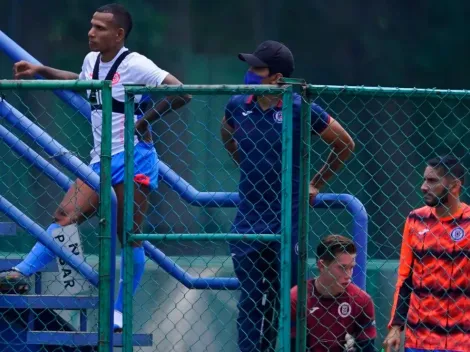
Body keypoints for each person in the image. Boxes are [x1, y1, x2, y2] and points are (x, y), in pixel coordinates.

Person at [0, 3, 190, 332]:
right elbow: (81, 80)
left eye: (100, 28)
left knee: (127, 235)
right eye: (91, 25)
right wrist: (41, 70)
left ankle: (118, 311)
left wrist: (144, 120)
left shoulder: (135, 63)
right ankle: (23, 272)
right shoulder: (91, 60)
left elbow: (179, 91)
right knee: (65, 216)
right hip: (100, 160)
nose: (91, 32)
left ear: (119, 35)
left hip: (134, 159)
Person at [221, 40, 355, 351]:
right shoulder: (238, 104)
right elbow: (226, 133)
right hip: (247, 221)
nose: (249, 73)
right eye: (250, 66)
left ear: (277, 78)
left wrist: (317, 182)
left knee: (290, 297)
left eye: (258, 68)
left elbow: (345, 144)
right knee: (251, 298)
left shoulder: (299, 107)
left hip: (287, 219)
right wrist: (245, 161)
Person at [383, 155, 470, 352]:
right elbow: (405, 278)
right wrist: (395, 328)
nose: (423, 186)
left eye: (432, 181)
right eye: (424, 179)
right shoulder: (415, 219)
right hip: (418, 340)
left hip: (461, 341)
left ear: (455, 185)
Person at [290, 235, 377, 352]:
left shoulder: (362, 301)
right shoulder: (297, 298)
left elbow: (368, 348)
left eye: (351, 268)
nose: (348, 275)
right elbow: (292, 346)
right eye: (342, 267)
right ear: (322, 265)